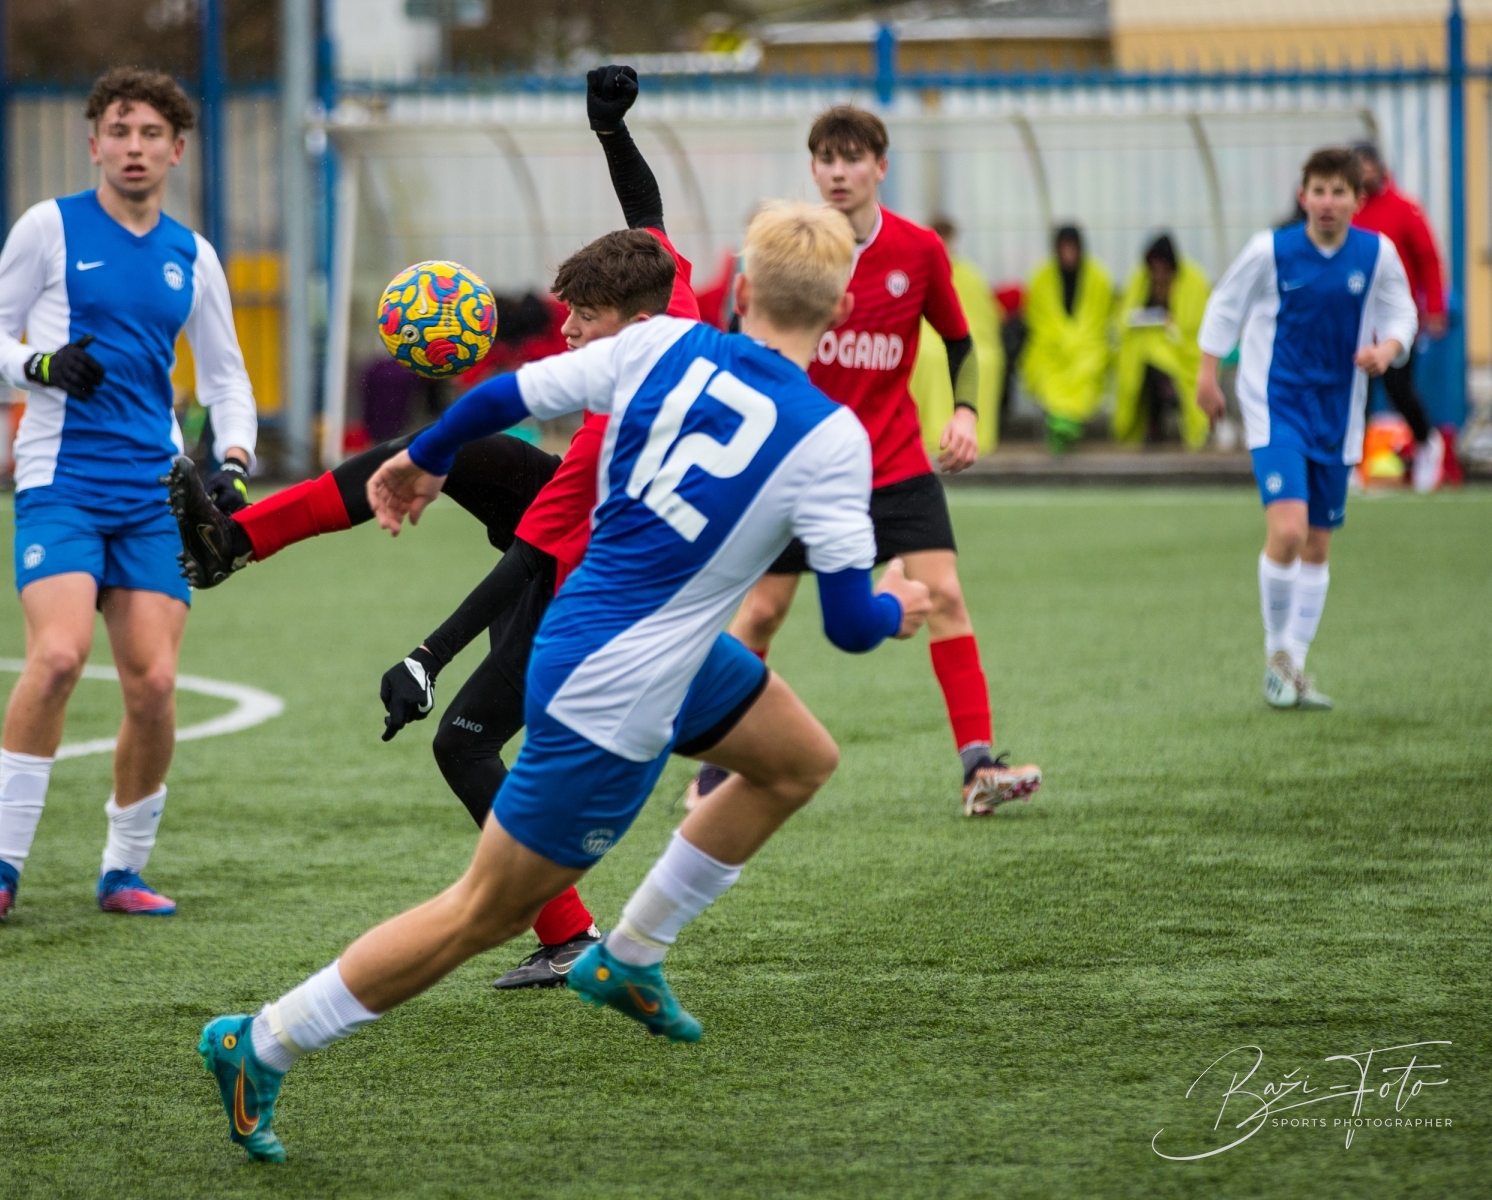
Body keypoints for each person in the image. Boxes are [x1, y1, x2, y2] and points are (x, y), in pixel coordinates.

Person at [195, 200, 933, 1164]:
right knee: (484, 912)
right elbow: (849, 626)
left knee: (797, 759)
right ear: (839, 312)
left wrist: (422, 461)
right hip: (612, 684)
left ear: (742, 291)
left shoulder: (661, 345)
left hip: (643, 646)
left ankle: (631, 955)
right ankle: (261, 1041)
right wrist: (897, 604)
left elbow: (496, 400)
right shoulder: (833, 438)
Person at [169, 65, 707, 988]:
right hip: (607, 551)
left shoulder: (610, 436)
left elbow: (531, 559)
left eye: (584, 318)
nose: (567, 332)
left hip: (605, 587)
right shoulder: (673, 305)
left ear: (633, 322)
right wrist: (610, 129)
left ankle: (572, 937)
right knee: (437, 448)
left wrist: (427, 657)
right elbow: (647, 217)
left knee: (462, 741)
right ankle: (237, 539)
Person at [0, 68, 257, 924]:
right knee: (57, 657)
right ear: (94, 144)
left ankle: (123, 871)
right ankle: (0, 868)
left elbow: (227, 378)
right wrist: (37, 364)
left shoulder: (193, 255)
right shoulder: (49, 227)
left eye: (151, 133)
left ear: (177, 150)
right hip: (62, 481)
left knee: (153, 684)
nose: (134, 147)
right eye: (119, 131)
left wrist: (233, 460)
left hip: (155, 491)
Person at [698, 105, 1040, 818]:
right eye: (825, 159)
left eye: (852, 158)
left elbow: (959, 342)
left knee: (945, 596)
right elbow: (740, 341)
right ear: (812, 168)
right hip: (796, 468)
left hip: (893, 464)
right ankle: (713, 769)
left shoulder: (918, 251)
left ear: (881, 167)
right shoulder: (788, 252)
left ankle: (979, 767)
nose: (838, 172)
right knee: (762, 611)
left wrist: (966, 413)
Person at [1196, 146, 1415, 711]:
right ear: (1303, 197)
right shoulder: (1271, 251)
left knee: (1318, 544)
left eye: (1338, 192)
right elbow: (1225, 305)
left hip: (1337, 414)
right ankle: (1276, 653)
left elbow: (1402, 312)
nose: (1327, 202)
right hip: (1276, 408)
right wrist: (1207, 375)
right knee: (1289, 530)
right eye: (1318, 191)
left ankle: (1292, 662)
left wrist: (1387, 349)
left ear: (1357, 200)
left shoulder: (1376, 253)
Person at [1352, 142, 1449, 493]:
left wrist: (1435, 307)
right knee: (1355, 392)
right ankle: (1351, 461)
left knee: (1397, 387)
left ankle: (1426, 443)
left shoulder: (1405, 209)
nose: (1364, 171)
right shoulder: (1348, 211)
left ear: (1380, 166)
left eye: (1368, 163)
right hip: (1356, 319)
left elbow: (1428, 258)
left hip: (1395, 319)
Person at [909, 216, 1005, 456]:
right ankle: (934, 433)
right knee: (929, 357)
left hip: (963, 336)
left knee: (983, 358)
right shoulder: (918, 270)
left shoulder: (969, 275)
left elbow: (983, 316)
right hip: (930, 336)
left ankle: (968, 434)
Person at [1022, 225, 1114, 453]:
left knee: (1087, 368)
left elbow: (1100, 320)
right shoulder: (1041, 278)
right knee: (1048, 372)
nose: (1068, 255)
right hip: (1050, 347)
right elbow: (1036, 318)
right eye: (1064, 249)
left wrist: (1075, 341)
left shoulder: (1098, 278)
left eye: (1072, 249)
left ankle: (1065, 424)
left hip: (1087, 347)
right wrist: (1063, 339)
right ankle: (1062, 423)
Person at [1114, 233, 1211, 449]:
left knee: (1164, 371)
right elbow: (1125, 318)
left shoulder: (1192, 281)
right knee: (1146, 370)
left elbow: (1192, 328)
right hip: (1147, 355)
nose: (1157, 272)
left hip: (1181, 352)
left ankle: (1166, 414)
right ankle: (1152, 425)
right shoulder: (1140, 280)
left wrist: (1170, 329)